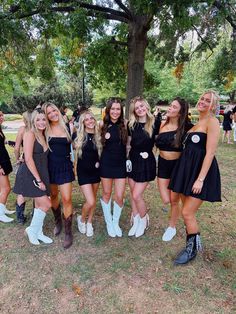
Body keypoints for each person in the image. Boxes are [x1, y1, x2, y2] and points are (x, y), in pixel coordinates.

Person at [169, 90, 221, 265]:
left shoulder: (212, 122)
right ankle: (192, 242)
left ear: (213, 105)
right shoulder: (196, 123)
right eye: (202, 99)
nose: (203, 102)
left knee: (187, 212)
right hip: (186, 172)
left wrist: (200, 179)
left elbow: (210, 152)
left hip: (199, 173)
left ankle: (191, 250)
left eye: (208, 101)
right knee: (186, 212)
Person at [13, 109, 53, 245]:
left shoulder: (44, 134)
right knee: (46, 204)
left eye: (44, 119)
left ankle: (38, 232)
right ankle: (31, 230)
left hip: (42, 172)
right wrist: (38, 180)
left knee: (39, 205)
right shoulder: (30, 134)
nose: (41, 122)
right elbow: (28, 158)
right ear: (33, 121)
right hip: (31, 174)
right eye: (38, 120)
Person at [155, 98, 192, 241]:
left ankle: (172, 227)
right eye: (170, 106)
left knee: (174, 200)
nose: (169, 108)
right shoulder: (162, 124)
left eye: (174, 107)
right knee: (166, 199)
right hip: (163, 165)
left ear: (180, 111)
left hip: (178, 166)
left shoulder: (187, 128)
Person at [43, 102, 75, 249]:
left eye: (54, 111)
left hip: (65, 167)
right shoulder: (45, 129)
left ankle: (68, 232)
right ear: (46, 115)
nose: (52, 114)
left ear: (58, 110)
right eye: (49, 113)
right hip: (50, 168)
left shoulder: (68, 126)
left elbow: (75, 145)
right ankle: (58, 221)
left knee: (67, 198)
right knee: (54, 196)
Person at [127, 96, 156, 238]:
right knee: (132, 193)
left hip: (146, 161)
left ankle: (144, 220)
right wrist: (127, 159)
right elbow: (128, 144)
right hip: (132, 161)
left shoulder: (155, 123)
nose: (140, 109)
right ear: (134, 110)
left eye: (141, 106)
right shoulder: (131, 125)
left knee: (136, 194)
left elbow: (161, 143)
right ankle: (136, 220)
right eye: (137, 108)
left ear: (146, 106)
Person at [99, 97, 127, 237]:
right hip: (106, 164)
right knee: (106, 193)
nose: (115, 112)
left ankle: (115, 222)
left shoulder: (125, 125)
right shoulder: (101, 125)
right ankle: (109, 222)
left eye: (118, 109)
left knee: (120, 196)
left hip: (120, 165)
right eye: (113, 109)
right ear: (108, 110)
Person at [75, 111, 102, 237]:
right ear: (83, 122)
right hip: (83, 172)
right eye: (87, 120)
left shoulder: (99, 134)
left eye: (92, 118)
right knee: (90, 201)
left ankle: (89, 222)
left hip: (96, 171)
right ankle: (81, 220)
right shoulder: (78, 135)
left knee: (93, 198)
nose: (90, 121)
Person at [14, 111, 31, 224]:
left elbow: (16, 148)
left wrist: (17, 159)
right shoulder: (39, 129)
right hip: (37, 162)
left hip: (25, 161)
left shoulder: (22, 129)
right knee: (37, 189)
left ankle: (20, 217)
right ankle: (35, 211)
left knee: (21, 190)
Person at [0, 111, 15, 223]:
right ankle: (0, 213)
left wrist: (11, 142)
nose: (1, 117)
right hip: (0, 164)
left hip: (4, 160)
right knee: (6, 188)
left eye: (1, 115)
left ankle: (3, 208)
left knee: (3, 188)